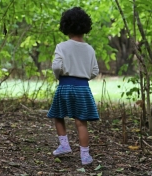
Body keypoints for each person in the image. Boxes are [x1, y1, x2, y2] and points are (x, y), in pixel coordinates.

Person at [47, 7, 99, 165]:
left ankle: (64, 145)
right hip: (83, 88)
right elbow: (95, 71)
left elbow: (56, 67)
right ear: (85, 26)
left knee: (58, 115)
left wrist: (60, 77)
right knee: (81, 121)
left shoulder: (62, 47)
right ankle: (85, 156)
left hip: (65, 85)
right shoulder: (89, 49)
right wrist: (83, 77)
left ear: (65, 26)